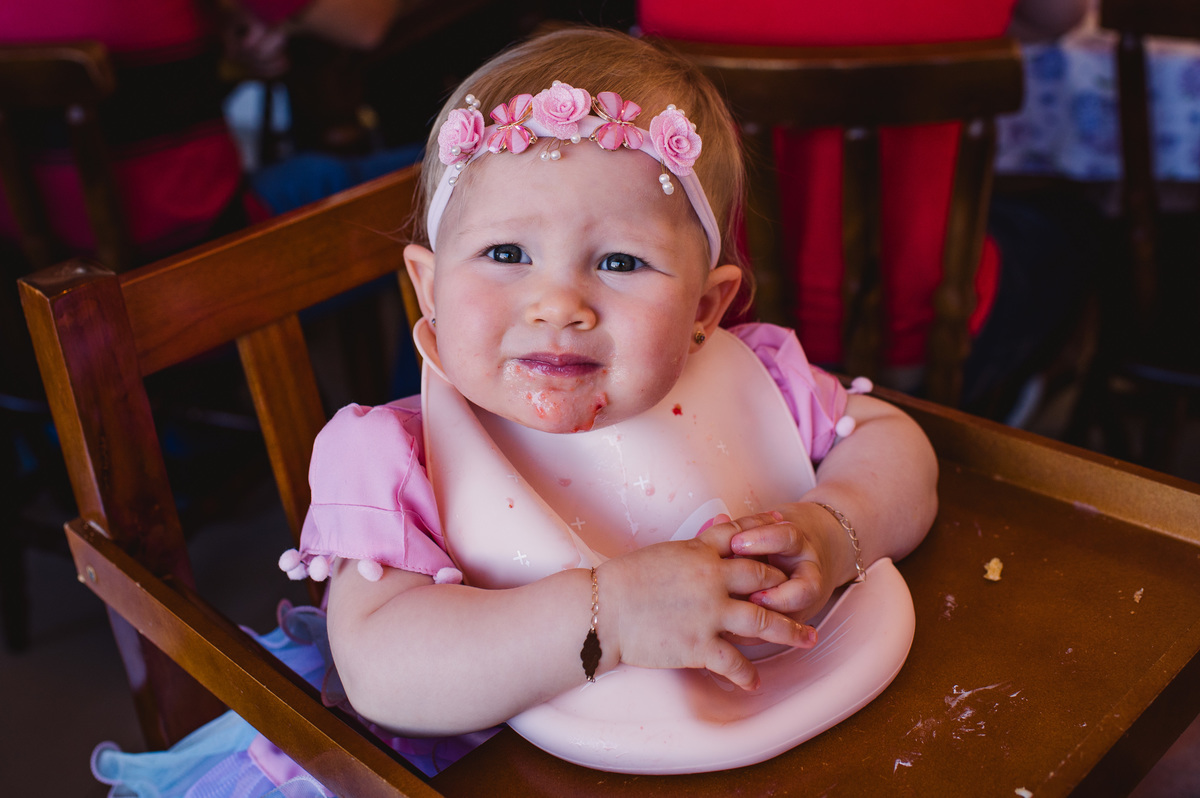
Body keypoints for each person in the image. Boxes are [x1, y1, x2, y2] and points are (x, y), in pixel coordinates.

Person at [91, 25, 939, 794]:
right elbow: (383, 668)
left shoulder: (754, 376)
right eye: (505, 252)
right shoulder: (395, 459)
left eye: (621, 261)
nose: (557, 303)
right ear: (429, 287)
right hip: (473, 765)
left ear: (705, 309)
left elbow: (895, 446)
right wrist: (611, 614)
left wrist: (836, 528)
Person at [638, 0, 1091, 416]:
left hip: (718, 325)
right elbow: (1058, 19)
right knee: (1074, 224)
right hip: (923, 339)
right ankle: (1007, 425)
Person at [0, 0, 413, 264]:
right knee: (437, 187)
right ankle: (423, 381)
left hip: (37, 292)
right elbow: (366, 22)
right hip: (197, 265)